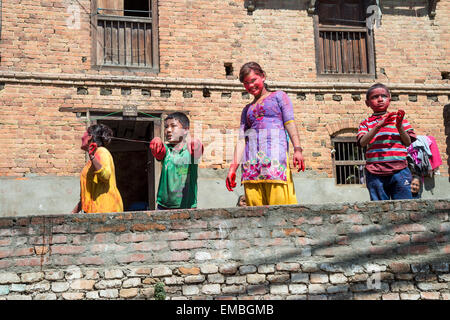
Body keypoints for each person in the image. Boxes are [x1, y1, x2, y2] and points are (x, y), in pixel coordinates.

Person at [226, 62, 305, 206]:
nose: (250, 86)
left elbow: (290, 123)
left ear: (263, 76)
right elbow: (242, 140)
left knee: (280, 210)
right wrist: (233, 168)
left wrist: (297, 149)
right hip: (251, 166)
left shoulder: (279, 97)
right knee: (255, 214)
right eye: (245, 83)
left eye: (253, 80)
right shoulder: (247, 110)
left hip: (275, 162)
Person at [357, 83, 417, 201]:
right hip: (375, 172)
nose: (380, 99)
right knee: (379, 210)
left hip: (400, 171)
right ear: (367, 103)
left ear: (389, 99)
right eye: (374, 97)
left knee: (404, 207)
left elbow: (408, 142)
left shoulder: (399, 119)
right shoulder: (365, 123)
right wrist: (379, 126)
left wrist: (399, 126)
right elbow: (362, 142)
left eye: (383, 96)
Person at [149, 112, 203, 210]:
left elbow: (198, 150)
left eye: (173, 126)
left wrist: (196, 144)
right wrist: (156, 142)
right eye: (166, 127)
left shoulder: (190, 150)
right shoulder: (166, 150)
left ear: (185, 130)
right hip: (163, 206)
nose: (168, 130)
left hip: (187, 206)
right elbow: (159, 151)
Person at [72, 124, 123, 213]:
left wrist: (92, 156)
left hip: (106, 210)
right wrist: (73, 213)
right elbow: (86, 197)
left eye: (84, 133)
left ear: (90, 136)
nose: (82, 137)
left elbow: (105, 175)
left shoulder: (102, 152)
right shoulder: (91, 161)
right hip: (96, 211)